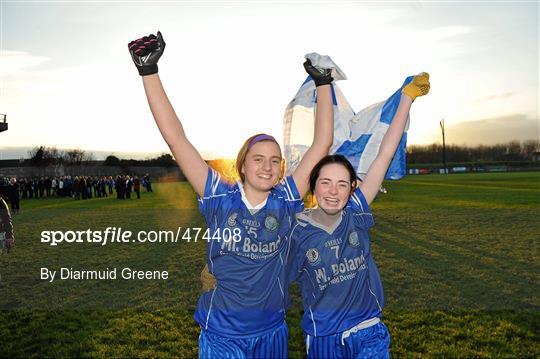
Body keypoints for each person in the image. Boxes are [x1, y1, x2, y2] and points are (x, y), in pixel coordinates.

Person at [128, 31, 334, 358]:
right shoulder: (219, 197)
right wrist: (148, 72)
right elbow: (177, 140)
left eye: (275, 160)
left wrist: (324, 84)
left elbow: (321, 143)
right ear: (241, 166)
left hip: (271, 332)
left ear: (282, 169)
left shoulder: (287, 198)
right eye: (258, 159)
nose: (267, 166)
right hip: (221, 335)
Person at [287, 74, 430, 358]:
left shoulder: (356, 210)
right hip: (323, 338)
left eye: (342, 184)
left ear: (352, 188)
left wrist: (406, 99)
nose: (333, 191)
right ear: (312, 184)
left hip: (368, 332)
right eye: (325, 182)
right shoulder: (296, 228)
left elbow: (384, 153)